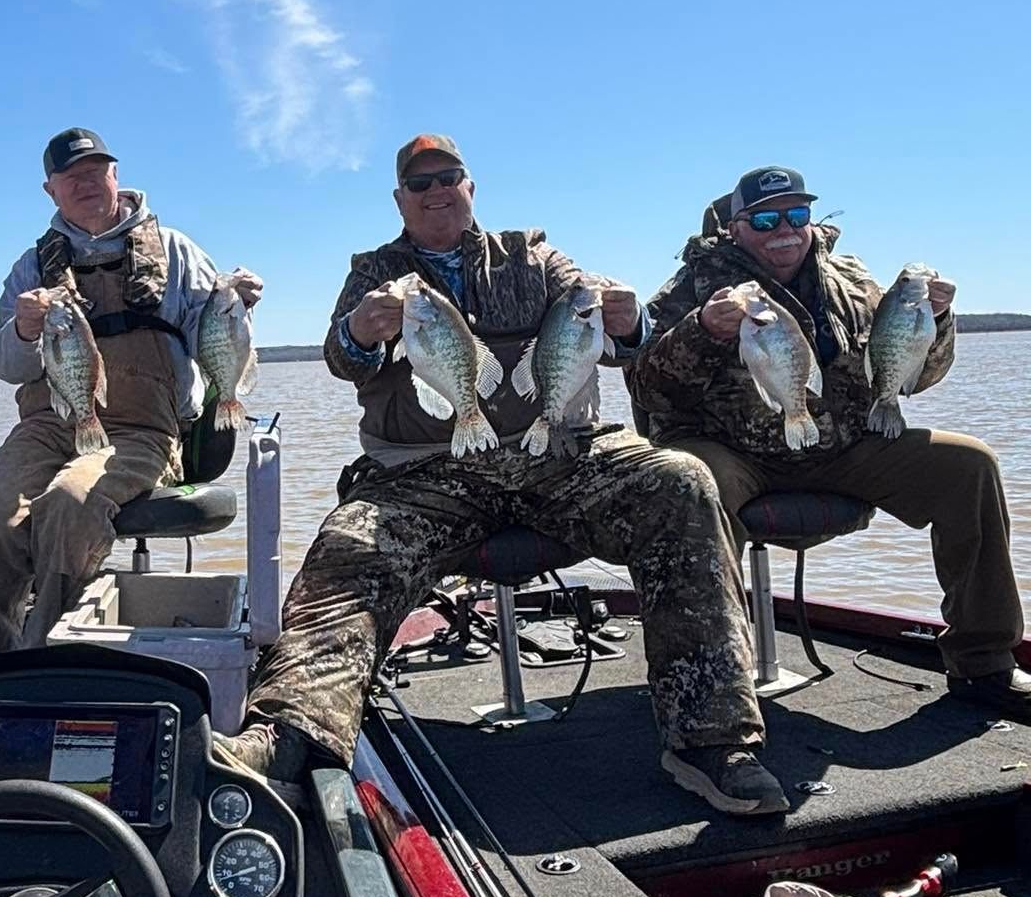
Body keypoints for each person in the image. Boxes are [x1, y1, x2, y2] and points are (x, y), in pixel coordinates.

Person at [228, 133, 784, 816]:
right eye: (421, 183)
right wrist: (359, 331)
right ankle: (291, 737)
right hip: (423, 473)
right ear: (401, 200)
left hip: (556, 455)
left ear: (470, 187)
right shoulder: (374, 271)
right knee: (351, 544)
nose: (437, 191)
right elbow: (343, 361)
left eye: (449, 177)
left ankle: (713, 741)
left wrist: (628, 320)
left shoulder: (534, 256)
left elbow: (617, 344)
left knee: (681, 482)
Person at [628, 163, 1029, 715]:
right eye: (764, 220)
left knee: (970, 465)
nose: (784, 229)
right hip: (734, 453)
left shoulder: (855, 282)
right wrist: (702, 332)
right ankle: (709, 681)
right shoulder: (689, 289)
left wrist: (936, 321)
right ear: (735, 228)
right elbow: (646, 387)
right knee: (688, 484)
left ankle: (984, 663)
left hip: (844, 448)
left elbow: (914, 378)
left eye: (796, 215)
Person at [0, 128, 262, 650]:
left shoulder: (175, 251)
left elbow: (212, 339)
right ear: (50, 190)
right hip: (49, 424)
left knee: (71, 503)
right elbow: (7, 366)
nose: (85, 183)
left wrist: (238, 306)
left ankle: (47, 648)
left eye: (95, 171)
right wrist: (23, 330)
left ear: (116, 175)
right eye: (70, 176)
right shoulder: (31, 266)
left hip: (144, 429)